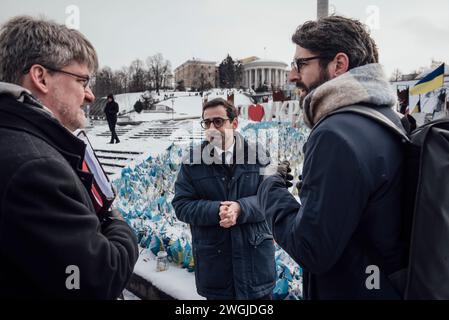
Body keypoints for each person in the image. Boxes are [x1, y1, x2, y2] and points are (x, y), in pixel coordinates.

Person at [257, 16, 407, 300]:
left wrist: (269, 187)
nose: (292, 75)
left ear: (338, 64)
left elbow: (311, 249)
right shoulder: (388, 118)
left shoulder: (335, 135)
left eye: (301, 64)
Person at [0, 16, 138, 299]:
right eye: (82, 81)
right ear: (41, 77)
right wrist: (115, 221)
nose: (89, 96)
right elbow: (99, 278)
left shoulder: (18, 140)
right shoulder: (35, 168)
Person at [172, 98, 276, 300]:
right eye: (207, 122)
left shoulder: (259, 154)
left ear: (234, 123)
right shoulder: (192, 161)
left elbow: (274, 198)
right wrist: (216, 210)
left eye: (218, 121)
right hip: (216, 267)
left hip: (255, 264)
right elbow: (181, 205)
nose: (211, 128)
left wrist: (241, 208)